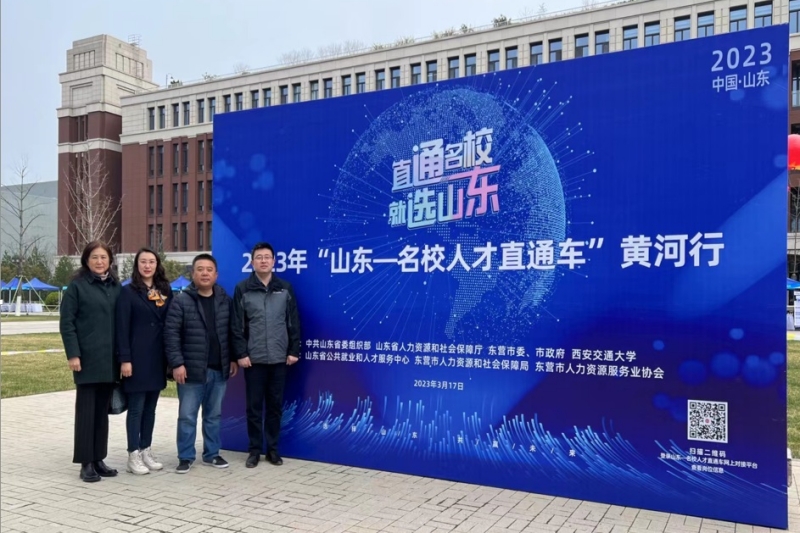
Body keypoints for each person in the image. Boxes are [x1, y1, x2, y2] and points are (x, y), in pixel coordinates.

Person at [164, 253, 238, 474]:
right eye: (200, 269)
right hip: (191, 370)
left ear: (216, 275)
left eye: (209, 270)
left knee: (213, 415)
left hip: (219, 369)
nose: (205, 273)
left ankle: (211, 454)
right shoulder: (181, 301)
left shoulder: (225, 300)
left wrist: (233, 358)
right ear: (193, 274)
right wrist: (177, 363)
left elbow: (232, 333)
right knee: (187, 416)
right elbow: (171, 335)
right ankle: (185, 456)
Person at [232, 242, 301, 468]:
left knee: (274, 407)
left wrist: (293, 350)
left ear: (274, 261)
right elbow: (236, 325)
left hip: (280, 358)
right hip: (253, 360)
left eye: (267, 257)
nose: (263, 261)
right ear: (252, 262)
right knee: (253, 408)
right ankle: (254, 451)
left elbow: (293, 321)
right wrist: (241, 353)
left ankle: (272, 450)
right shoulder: (243, 289)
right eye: (259, 257)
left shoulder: (285, 288)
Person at [60, 241, 122, 483]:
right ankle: (86, 462)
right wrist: (73, 354)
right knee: (86, 413)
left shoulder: (115, 287)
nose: (99, 261)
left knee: (101, 413)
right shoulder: (77, 287)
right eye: (94, 257)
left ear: (110, 261)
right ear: (86, 260)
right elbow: (67, 323)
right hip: (86, 360)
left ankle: (98, 458)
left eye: (103, 257)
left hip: (109, 361)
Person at [115, 247, 173, 475]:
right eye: (143, 262)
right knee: (136, 409)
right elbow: (122, 328)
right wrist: (125, 359)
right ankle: (133, 455)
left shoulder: (164, 290)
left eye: (151, 262)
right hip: (136, 358)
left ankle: (146, 449)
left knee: (151, 409)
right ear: (137, 265)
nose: (147, 266)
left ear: (157, 265)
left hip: (157, 358)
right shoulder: (127, 292)